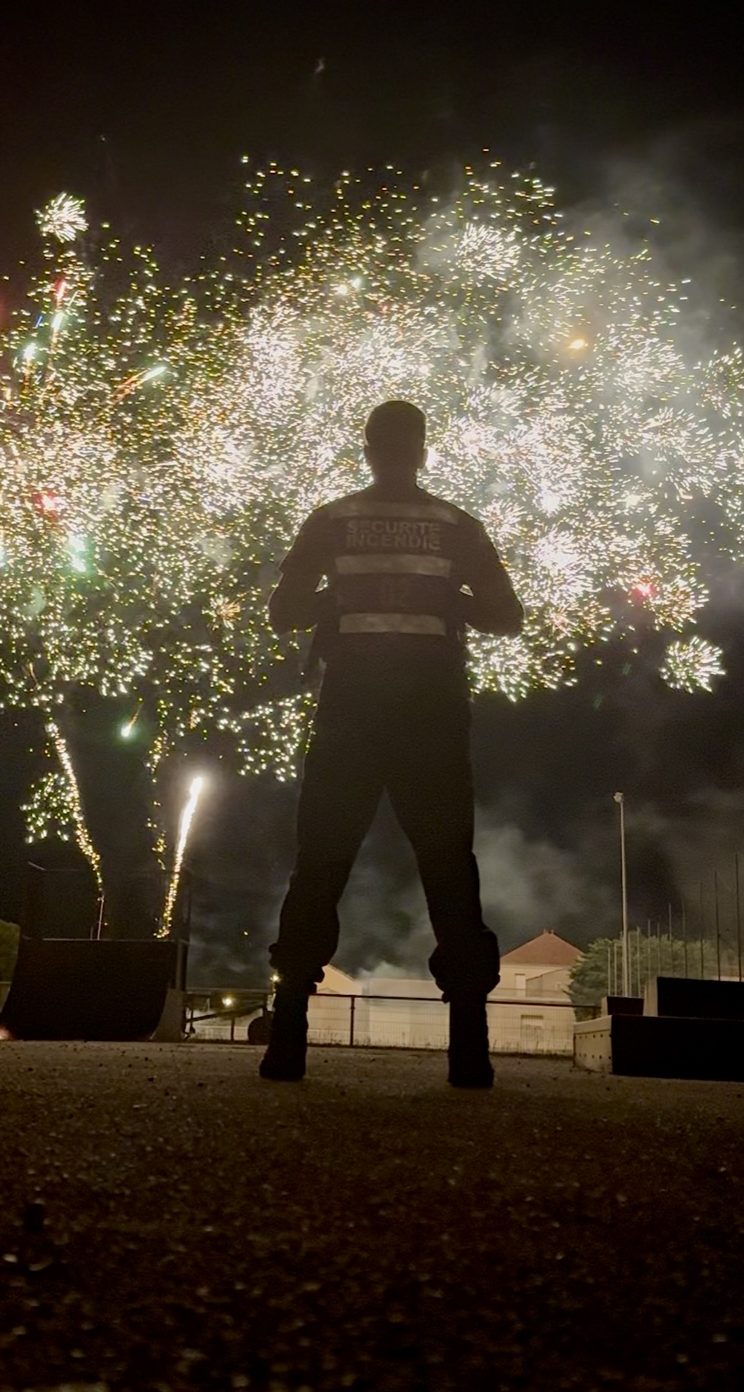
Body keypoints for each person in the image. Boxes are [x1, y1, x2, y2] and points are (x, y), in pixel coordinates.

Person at [260, 400, 524, 1087]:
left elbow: (282, 613)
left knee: (320, 862)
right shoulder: (457, 526)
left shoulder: (331, 520)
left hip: (349, 714)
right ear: (422, 452)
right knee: (447, 865)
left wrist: (332, 602)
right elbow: (508, 616)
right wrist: (450, 603)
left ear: (369, 450)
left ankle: (286, 1037)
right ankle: (469, 1048)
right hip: (432, 716)